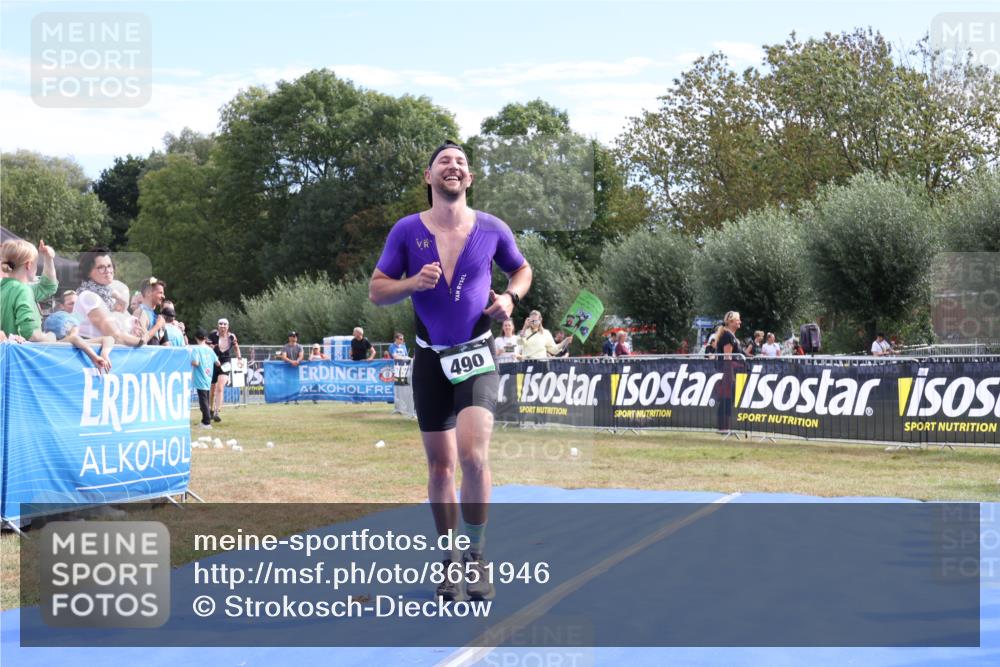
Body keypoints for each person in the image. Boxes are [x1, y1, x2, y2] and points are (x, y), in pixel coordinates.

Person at [369, 140, 532, 602]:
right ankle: (450, 563)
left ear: (470, 178)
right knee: (440, 467)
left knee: (473, 456)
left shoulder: (492, 228)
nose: (453, 167)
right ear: (429, 177)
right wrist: (410, 284)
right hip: (429, 360)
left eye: (461, 162)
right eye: (444, 162)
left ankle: (477, 559)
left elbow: (522, 270)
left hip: (477, 354)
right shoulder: (405, 232)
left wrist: (509, 299)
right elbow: (377, 291)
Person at [73, 248, 145, 346]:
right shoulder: (88, 297)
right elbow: (117, 337)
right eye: (101, 267)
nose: (108, 271)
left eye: (109, 266)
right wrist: (144, 340)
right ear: (88, 273)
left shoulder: (108, 298)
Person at [1, 240, 55, 342]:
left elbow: (48, 287)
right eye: (36, 264)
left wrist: (48, 258)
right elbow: (31, 334)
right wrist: (51, 337)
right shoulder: (23, 290)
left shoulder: (5, 287)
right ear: (29, 265)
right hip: (19, 356)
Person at [209, 318, 241, 422]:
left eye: (225, 324)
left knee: (220, 387)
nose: (222, 326)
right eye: (220, 324)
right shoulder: (213, 335)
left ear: (228, 326)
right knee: (212, 389)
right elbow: (206, 347)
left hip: (226, 363)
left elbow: (236, 347)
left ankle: (217, 411)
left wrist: (239, 359)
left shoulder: (232, 337)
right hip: (213, 362)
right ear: (218, 326)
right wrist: (211, 347)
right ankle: (211, 409)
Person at [715, 312, 742, 433]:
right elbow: (727, 357)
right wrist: (730, 376)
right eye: (738, 320)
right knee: (726, 399)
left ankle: (725, 428)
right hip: (727, 373)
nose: (740, 322)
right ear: (731, 322)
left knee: (728, 400)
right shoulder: (727, 336)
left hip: (731, 372)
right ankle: (724, 428)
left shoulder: (731, 336)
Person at [189, 328, 218, 429]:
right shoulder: (210, 349)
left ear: (196, 338)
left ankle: (206, 422)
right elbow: (217, 362)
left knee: (203, 401)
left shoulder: (196, 349)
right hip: (208, 377)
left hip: (200, 378)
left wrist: (188, 360)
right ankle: (204, 420)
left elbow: (196, 362)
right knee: (205, 400)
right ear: (205, 338)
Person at [136, 277, 168, 345]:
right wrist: (158, 325)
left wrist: (162, 330)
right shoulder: (140, 312)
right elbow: (141, 341)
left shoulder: (157, 317)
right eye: (160, 293)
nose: (163, 296)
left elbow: (166, 345)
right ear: (148, 293)